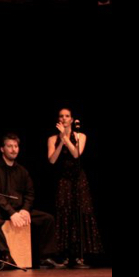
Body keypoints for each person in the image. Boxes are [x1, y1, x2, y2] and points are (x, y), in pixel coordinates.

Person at [0, 133, 63, 268]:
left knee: (47, 219)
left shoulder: (22, 171)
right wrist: (11, 213)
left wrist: (25, 209)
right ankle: (5, 255)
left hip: (19, 209)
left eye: (16, 146)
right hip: (1, 209)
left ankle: (45, 257)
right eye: (10, 146)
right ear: (2, 149)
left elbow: (30, 193)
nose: (13, 149)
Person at [48, 108, 103, 268]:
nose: (64, 118)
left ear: (71, 119)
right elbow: (52, 160)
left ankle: (80, 256)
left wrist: (66, 137)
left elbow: (76, 154)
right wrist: (61, 139)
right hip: (63, 180)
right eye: (61, 116)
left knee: (80, 212)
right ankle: (65, 255)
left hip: (78, 179)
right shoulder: (52, 138)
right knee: (64, 213)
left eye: (67, 116)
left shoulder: (80, 136)